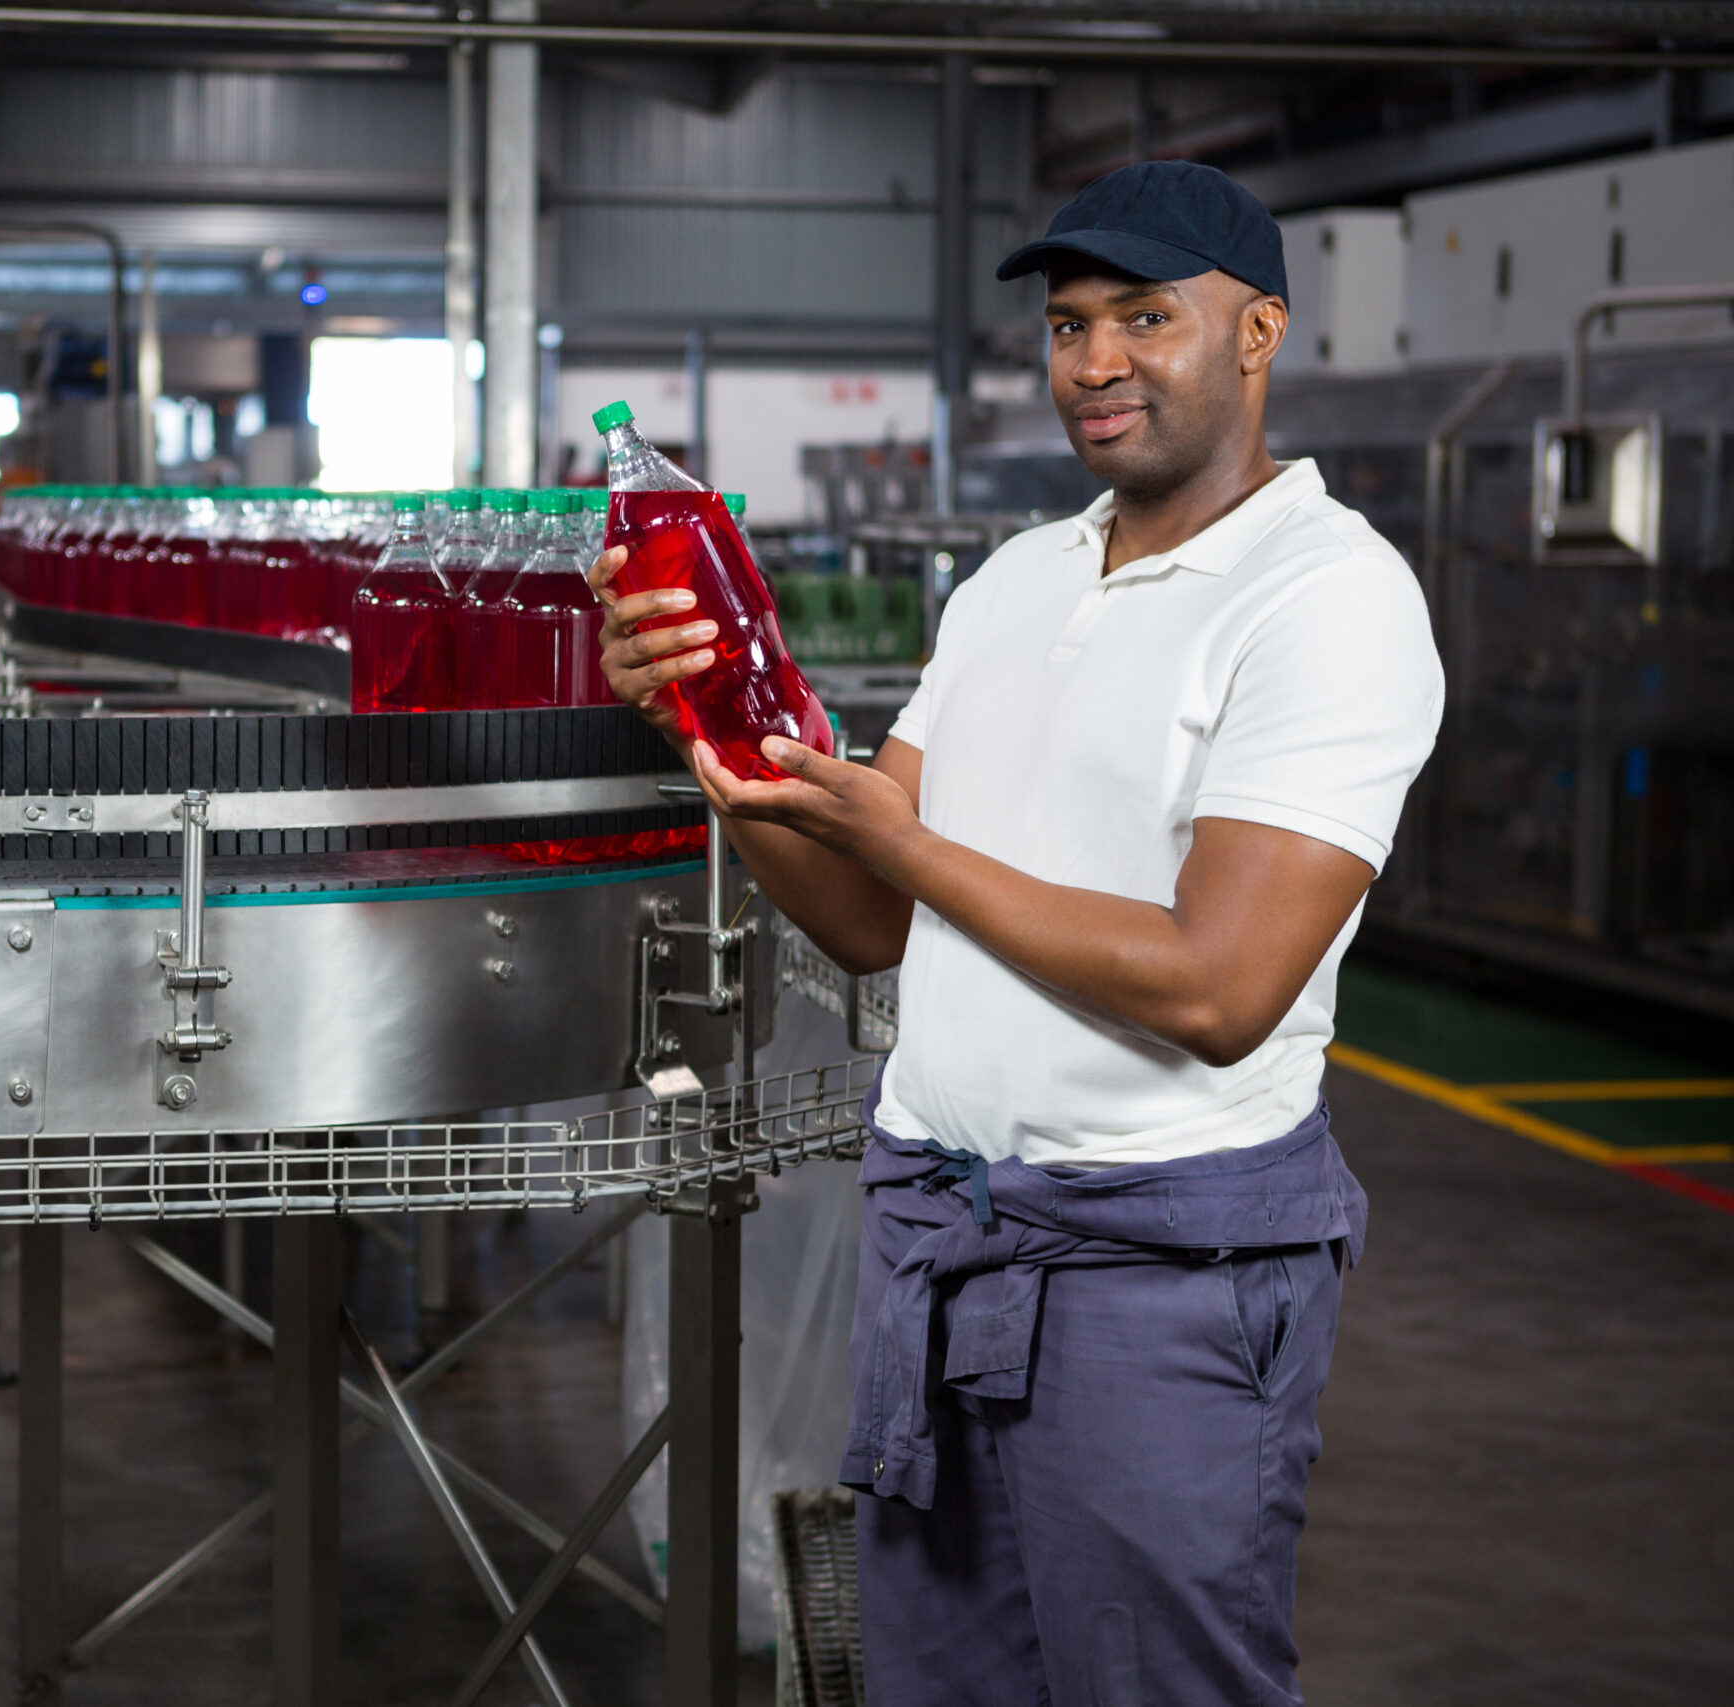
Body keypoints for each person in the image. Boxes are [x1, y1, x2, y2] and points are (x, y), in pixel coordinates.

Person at [590, 160, 1442, 1706]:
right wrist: (701, 729)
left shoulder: (1327, 597)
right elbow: (865, 919)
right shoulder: (1012, 584)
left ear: (1258, 334)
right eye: (1065, 323)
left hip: (1158, 1276)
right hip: (938, 1236)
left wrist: (907, 839)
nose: (1094, 360)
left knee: (1152, 1681)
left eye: (1143, 316)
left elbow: (1220, 982)